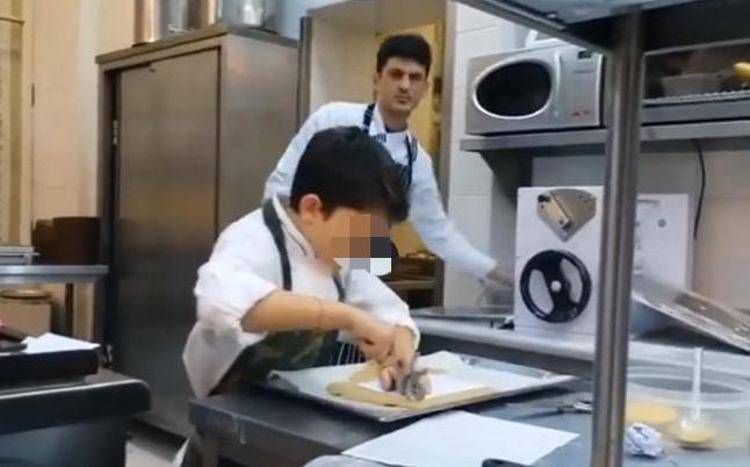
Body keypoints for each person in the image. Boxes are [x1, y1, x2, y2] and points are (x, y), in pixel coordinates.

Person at [178, 127, 419, 465]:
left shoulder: (342, 255)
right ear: (312, 208)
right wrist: (346, 317)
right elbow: (219, 304)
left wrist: (399, 343)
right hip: (229, 429)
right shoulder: (253, 239)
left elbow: (387, 310)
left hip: (292, 421)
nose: (370, 245)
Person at [264, 33, 513, 289]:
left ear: (425, 88)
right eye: (396, 74)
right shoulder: (333, 118)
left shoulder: (417, 162)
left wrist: (496, 271)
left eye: (414, 77)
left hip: (360, 264)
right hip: (300, 255)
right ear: (377, 79)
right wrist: (293, 251)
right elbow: (280, 186)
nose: (405, 86)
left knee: (373, 305)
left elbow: (439, 233)